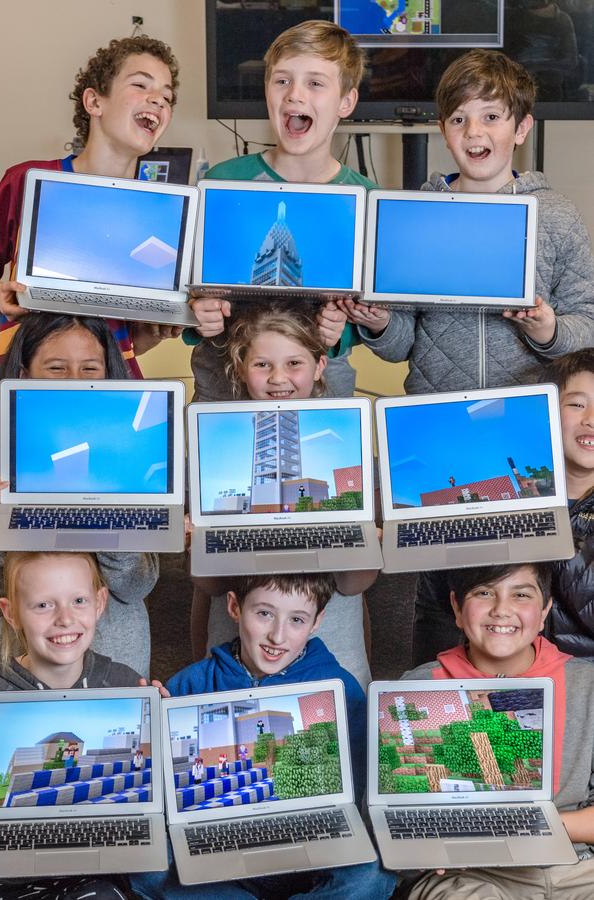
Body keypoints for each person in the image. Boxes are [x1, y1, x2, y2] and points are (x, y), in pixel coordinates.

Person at [131, 573, 396, 900]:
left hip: (310, 847)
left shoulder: (341, 687)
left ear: (316, 623)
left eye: (297, 619)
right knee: (145, 863)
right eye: (264, 614)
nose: (277, 635)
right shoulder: (191, 684)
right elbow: (166, 792)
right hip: (220, 846)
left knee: (373, 873)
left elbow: (357, 790)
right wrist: (154, 729)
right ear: (234, 607)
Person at [345, 48, 594, 394]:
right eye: (459, 120)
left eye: (491, 117)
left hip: (528, 410)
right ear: (444, 131)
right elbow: (398, 346)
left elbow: (587, 322)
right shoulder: (414, 217)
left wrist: (548, 331)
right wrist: (381, 323)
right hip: (434, 407)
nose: (474, 132)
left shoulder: (557, 216)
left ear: (521, 128)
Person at [0, 35, 182, 384]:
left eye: (166, 97)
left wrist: (159, 328)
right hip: (30, 379)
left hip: (114, 383)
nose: (157, 100)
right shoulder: (29, 180)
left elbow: (129, 339)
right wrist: (0, 292)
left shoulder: (157, 208)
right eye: (140, 85)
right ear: (94, 101)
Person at [0, 313, 160, 676]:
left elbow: (136, 584)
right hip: (20, 667)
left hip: (115, 666)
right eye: (57, 368)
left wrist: (107, 522)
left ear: (109, 374)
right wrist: (3, 531)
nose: (75, 384)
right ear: (24, 373)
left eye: (90, 369)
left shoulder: (133, 460)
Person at [185, 19, 376, 402]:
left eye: (316, 83)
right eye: (282, 80)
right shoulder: (223, 183)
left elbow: (373, 313)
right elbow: (186, 288)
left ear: (346, 102)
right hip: (222, 394)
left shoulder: (367, 199)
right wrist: (195, 312)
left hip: (323, 398)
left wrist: (343, 330)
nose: (295, 95)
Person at [190, 303, 379, 689]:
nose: (279, 379)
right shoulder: (217, 444)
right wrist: (195, 543)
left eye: (294, 364)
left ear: (320, 367)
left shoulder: (345, 444)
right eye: (262, 365)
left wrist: (366, 539)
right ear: (241, 369)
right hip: (241, 603)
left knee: (344, 706)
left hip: (326, 609)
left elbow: (354, 584)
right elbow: (210, 588)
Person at [0, 550, 140, 898]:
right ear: (11, 613)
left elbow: (139, 792)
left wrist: (161, 723)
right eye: (43, 606)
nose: (65, 619)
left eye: (78, 600)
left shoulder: (126, 686)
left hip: (84, 872)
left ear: (99, 603)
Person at [400, 562, 594, 899]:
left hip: (576, 866)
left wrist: (530, 825)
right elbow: (389, 812)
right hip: (469, 873)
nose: (502, 609)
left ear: (545, 609)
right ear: (457, 609)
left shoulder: (586, 683)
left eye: (521, 594)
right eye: (484, 592)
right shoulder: (416, 687)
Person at [411, 348, 594, 665]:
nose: (590, 419)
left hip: (581, 688)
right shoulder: (499, 497)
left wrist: (547, 532)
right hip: (487, 678)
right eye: (577, 404)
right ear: (545, 411)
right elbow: (438, 608)